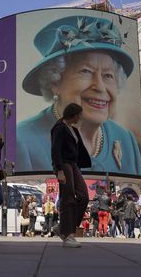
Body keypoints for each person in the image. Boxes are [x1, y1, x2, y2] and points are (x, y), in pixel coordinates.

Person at [17, 15, 141, 176]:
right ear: (54, 82)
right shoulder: (23, 140)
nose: (100, 87)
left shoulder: (126, 139)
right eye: (86, 71)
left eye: (108, 75)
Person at [51, 102, 91, 248]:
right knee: (68, 198)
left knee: (84, 196)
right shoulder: (59, 128)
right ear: (73, 114)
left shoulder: (73, 129)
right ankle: (68, 236)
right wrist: (59, 170)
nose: (81, 117)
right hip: (64, 164)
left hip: (74, 165)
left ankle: (63, 228)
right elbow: (55, 150)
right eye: (79, 114)